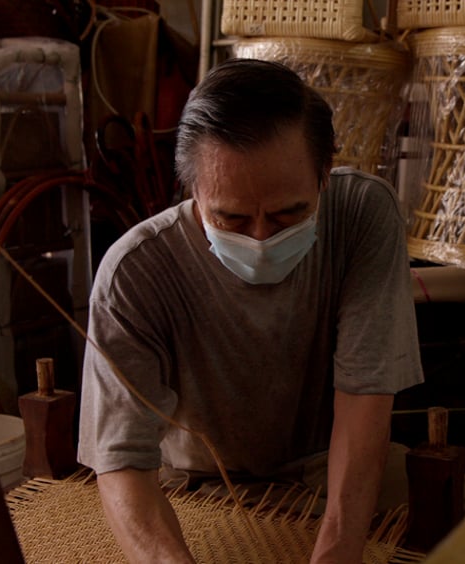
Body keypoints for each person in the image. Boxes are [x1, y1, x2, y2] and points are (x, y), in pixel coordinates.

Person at [77, 58, 423, 563]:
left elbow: (364, 398)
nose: (262, 238)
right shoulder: (134, 272)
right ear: (192, 190)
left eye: (289, 213)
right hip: (194, 488)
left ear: (324, 173)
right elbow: (123, 460)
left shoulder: (362, 215)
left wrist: (336, 552)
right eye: (232, 218)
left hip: (330, 469)